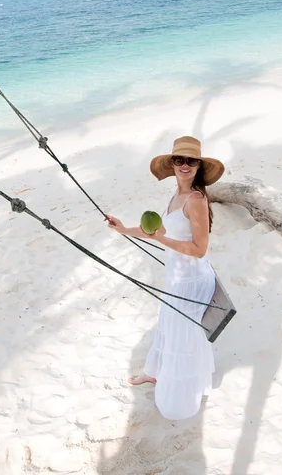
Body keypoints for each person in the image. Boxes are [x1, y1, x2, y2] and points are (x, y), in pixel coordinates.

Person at [106, 136, 225, 420]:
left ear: (199, 166)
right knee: (169, 328)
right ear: (172, 165)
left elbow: (198, 249)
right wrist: (123, 230)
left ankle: (180, 399)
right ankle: (155, 373)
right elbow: (157, 230)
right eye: (179, 160)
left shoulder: (196, 200)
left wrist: (162, 239)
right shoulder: (175, 195)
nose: (185, 165)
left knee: (182, 337)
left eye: (191, 161)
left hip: (192, 280)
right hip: (177, 276)